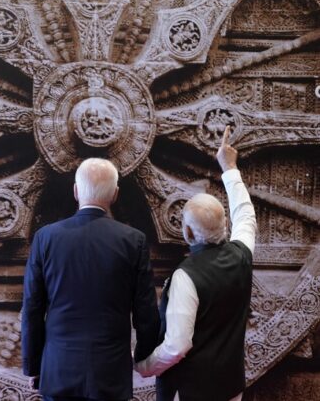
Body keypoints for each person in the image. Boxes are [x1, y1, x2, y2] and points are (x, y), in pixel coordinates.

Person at [22, 158, 160, 401]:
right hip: (111, 371)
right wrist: (143, 358)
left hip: (58, 368)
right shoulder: (134, 241)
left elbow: (33, 308)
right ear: (115, 195)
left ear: (76, 192)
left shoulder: (46, 238)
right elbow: (146, 312)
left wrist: (34, 366)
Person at [135, 126, 256, 401]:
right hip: (230, 387)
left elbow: (177, 346)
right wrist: (229, 168)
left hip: (192, 390)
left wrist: (145, 366)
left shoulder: (185, 277)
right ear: (226, 225)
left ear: (187, 233)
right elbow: (246, 214)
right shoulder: (242, 254)